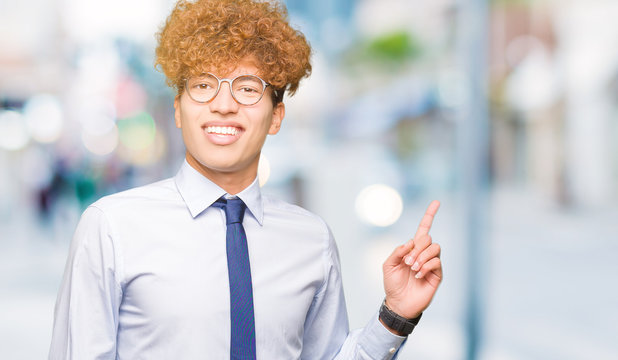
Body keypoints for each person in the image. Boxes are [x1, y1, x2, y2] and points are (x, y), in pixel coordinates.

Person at [49, 0, 443, 359]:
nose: (223, 104)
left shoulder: (312, 240)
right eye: (203, 85)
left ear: (275, 117)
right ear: (178, 109)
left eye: (248, 88)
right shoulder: (112, 228)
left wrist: (395, 317)